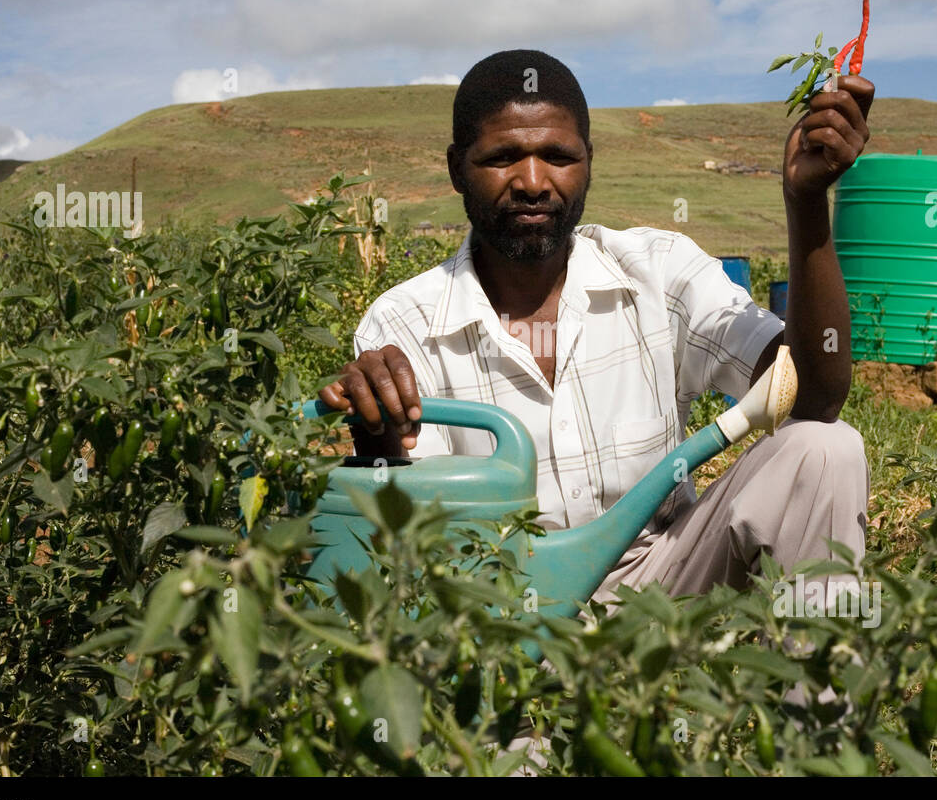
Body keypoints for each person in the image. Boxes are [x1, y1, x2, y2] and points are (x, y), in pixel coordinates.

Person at [320, 48, 874, 616]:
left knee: (824, 446)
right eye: (502, 157)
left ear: (589, 161)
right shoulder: (404, 323)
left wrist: (805, 202)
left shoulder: (659, 272)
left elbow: (812, 395)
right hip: (503, 607)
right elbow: (413, 531)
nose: (532, 181)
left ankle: (819, 703)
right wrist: (379, 438)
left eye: (557, 156)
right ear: (457, 168)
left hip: (665, 586)